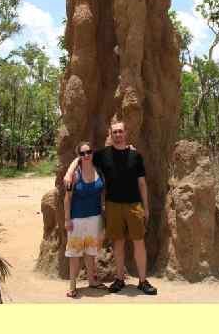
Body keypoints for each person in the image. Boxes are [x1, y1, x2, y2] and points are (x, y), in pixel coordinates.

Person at [64, 121, 157, 295]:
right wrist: (70, 171)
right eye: (115, 132)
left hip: (134, 205)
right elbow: (84, 156)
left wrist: (146, 207)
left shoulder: (136, 156)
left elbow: (142, 184)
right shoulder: (103, 155)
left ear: (126, 133)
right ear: (110, 134)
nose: (118, 134)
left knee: (139, 243)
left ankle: (143, 281)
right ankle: (120, 278)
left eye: (121, 131)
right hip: (113, 205)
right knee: (118, 244)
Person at [64, 141, 106, 298]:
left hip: (94, 218)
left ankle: (91, 281)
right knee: (74, 253)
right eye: (82, 154)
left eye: (88, 152)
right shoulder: (74, 175)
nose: (86, 156)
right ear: (78, 157)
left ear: (92, 152)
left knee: (90, 252)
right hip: (77, 220)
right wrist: (67, 219)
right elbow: (67, 198)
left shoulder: (98, 171)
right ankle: (72, 285)